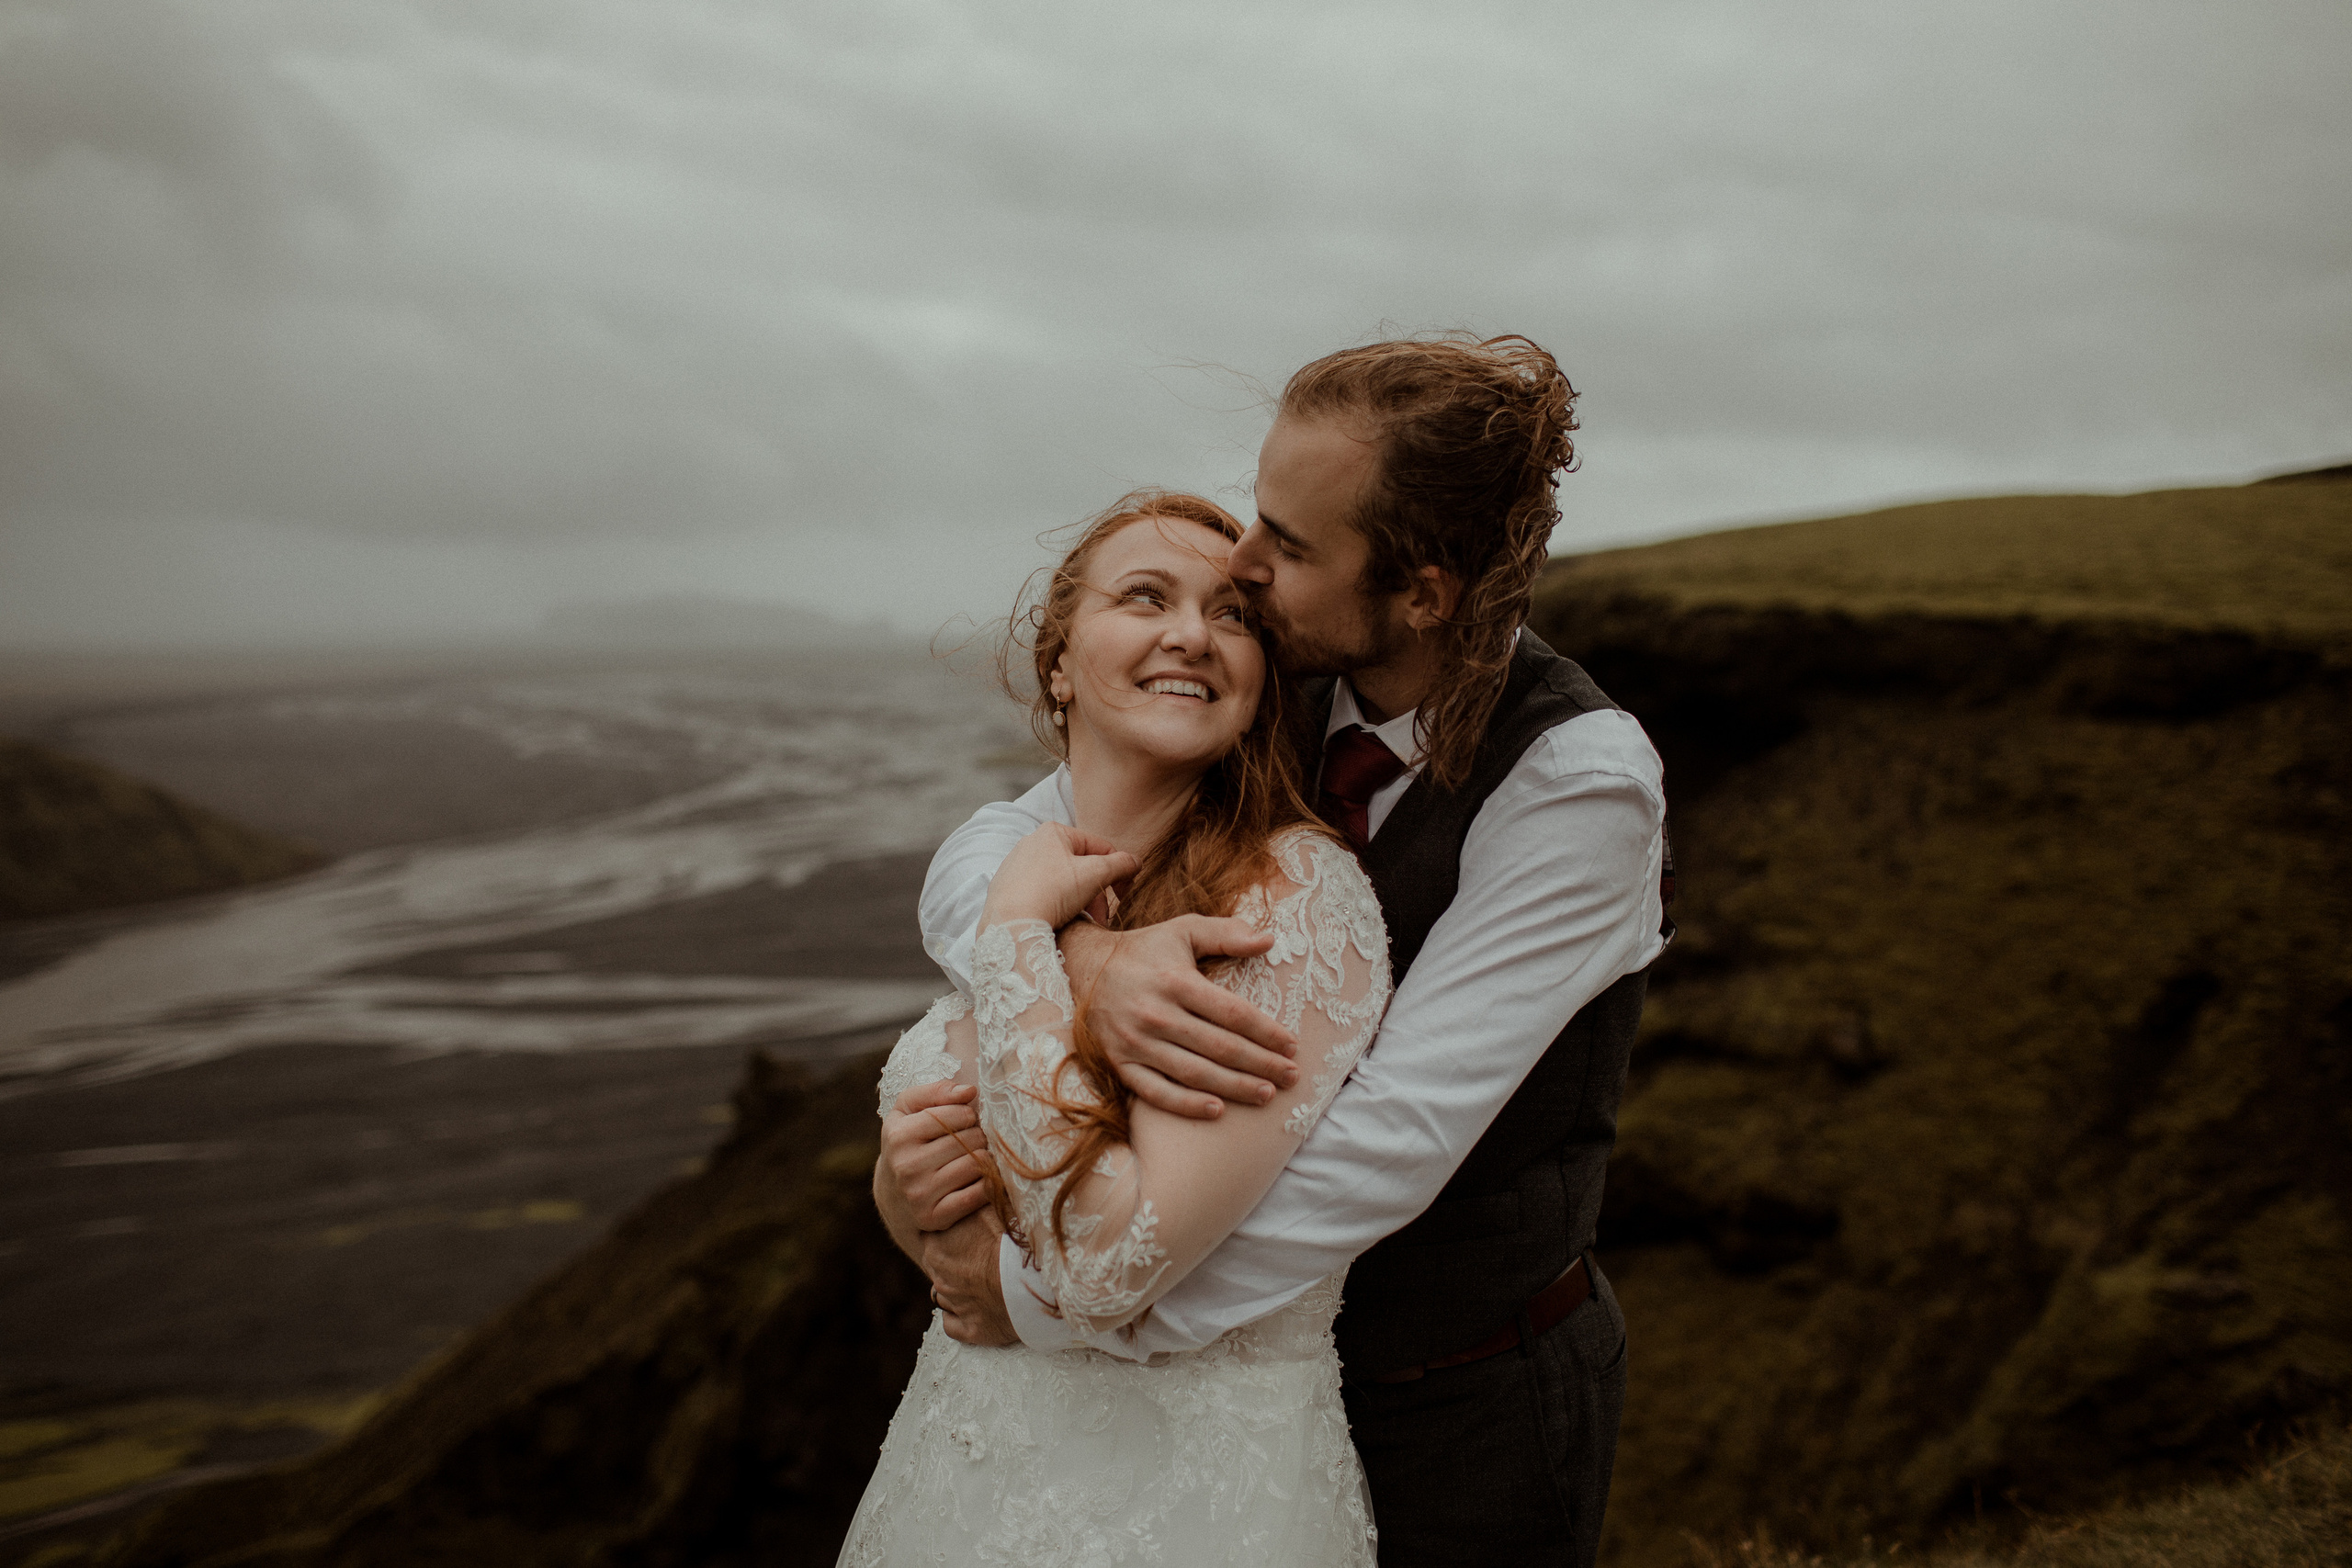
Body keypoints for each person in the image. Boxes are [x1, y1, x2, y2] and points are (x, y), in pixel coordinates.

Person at [888, 333, 1670, 1566]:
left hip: (1460, 1393)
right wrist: (1078, 960)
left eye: (1290, 545)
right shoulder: (1271, 673)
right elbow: (1002, 844)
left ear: (1424, 590)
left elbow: (1389, 1143)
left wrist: (1057, 1306)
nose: (1244, 568)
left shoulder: (1577, 784)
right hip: (1204, 1396)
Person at [838, 491, 1392, 1566]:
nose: (1191, 632)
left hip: (1194, 1511)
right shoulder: (1012, 862)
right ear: (1057, 660)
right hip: (963, 1475)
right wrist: (901, 1193)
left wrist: (1018, 942)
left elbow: (1104, 1262)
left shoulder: (1288, 904)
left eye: (1232, 614)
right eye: (1146, 596)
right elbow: (963, 1245)